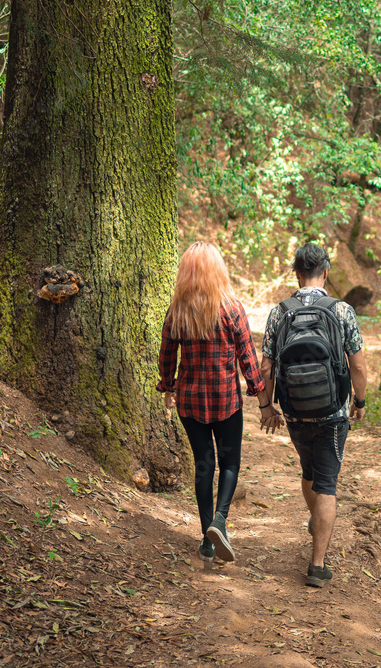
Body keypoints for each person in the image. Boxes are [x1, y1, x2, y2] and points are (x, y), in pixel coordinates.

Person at [158, 241, 282, 563]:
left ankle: (207, 542)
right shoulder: (231, 307)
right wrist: (261, 396)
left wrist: (169, 386)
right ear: (218, 270)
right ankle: (220, 520)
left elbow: (167, 354)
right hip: (226, 401)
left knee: (203, 465)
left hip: (191, 403)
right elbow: (248, 358)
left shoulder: (178, 310)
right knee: (229, 463)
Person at [260, 242, 367, 588]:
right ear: (327, 272)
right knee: (326, 485)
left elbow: (266, 368)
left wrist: (266, 406)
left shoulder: (280, 312)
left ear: (296, 273)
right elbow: (359, 366)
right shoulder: (341, 310)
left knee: (308, 472)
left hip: (294, 413)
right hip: (333, 413)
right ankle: (317, 565)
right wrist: (360, 402)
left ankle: (316, 519)